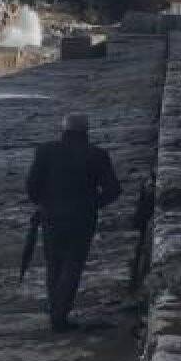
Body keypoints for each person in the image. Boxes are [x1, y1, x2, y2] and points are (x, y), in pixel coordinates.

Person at [25, 113, 121, 333]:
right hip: (82, 219)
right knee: (73, 265)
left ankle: (55, 312)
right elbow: (114, 190)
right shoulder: (97, 154)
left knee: (54, 265)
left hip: (51, 217)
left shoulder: (45, 151)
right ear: (86, 131)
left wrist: (44, 203)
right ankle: (60, 313)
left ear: (63, 129)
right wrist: (92, 205)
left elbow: (32, 187)